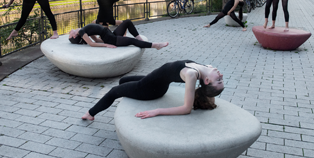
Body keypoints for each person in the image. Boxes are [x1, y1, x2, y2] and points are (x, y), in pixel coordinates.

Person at [81, 60, 225, 120]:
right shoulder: (206, 68)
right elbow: (210, 75)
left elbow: (186, 108)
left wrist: (157, 111)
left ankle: (90, 114)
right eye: (221, 79)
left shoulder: (192, 74)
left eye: (218, 80)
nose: (221, 75)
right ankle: (128, 95)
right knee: (123, 81)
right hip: (152, 80)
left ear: (207, 81)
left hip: (151, 90)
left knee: (114, 91)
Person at [68, 19, 168, 50]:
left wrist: (103, 41)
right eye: (69, 35)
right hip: (111, 39)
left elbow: (97, 40)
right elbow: (91, 44)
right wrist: (107, 44)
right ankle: (155, 45)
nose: (69, 32)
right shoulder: (81, 32)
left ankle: (141, 40)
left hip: (111, 35)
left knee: (127, 22)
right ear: (74, 36)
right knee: (132, 41)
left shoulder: (83, 31)